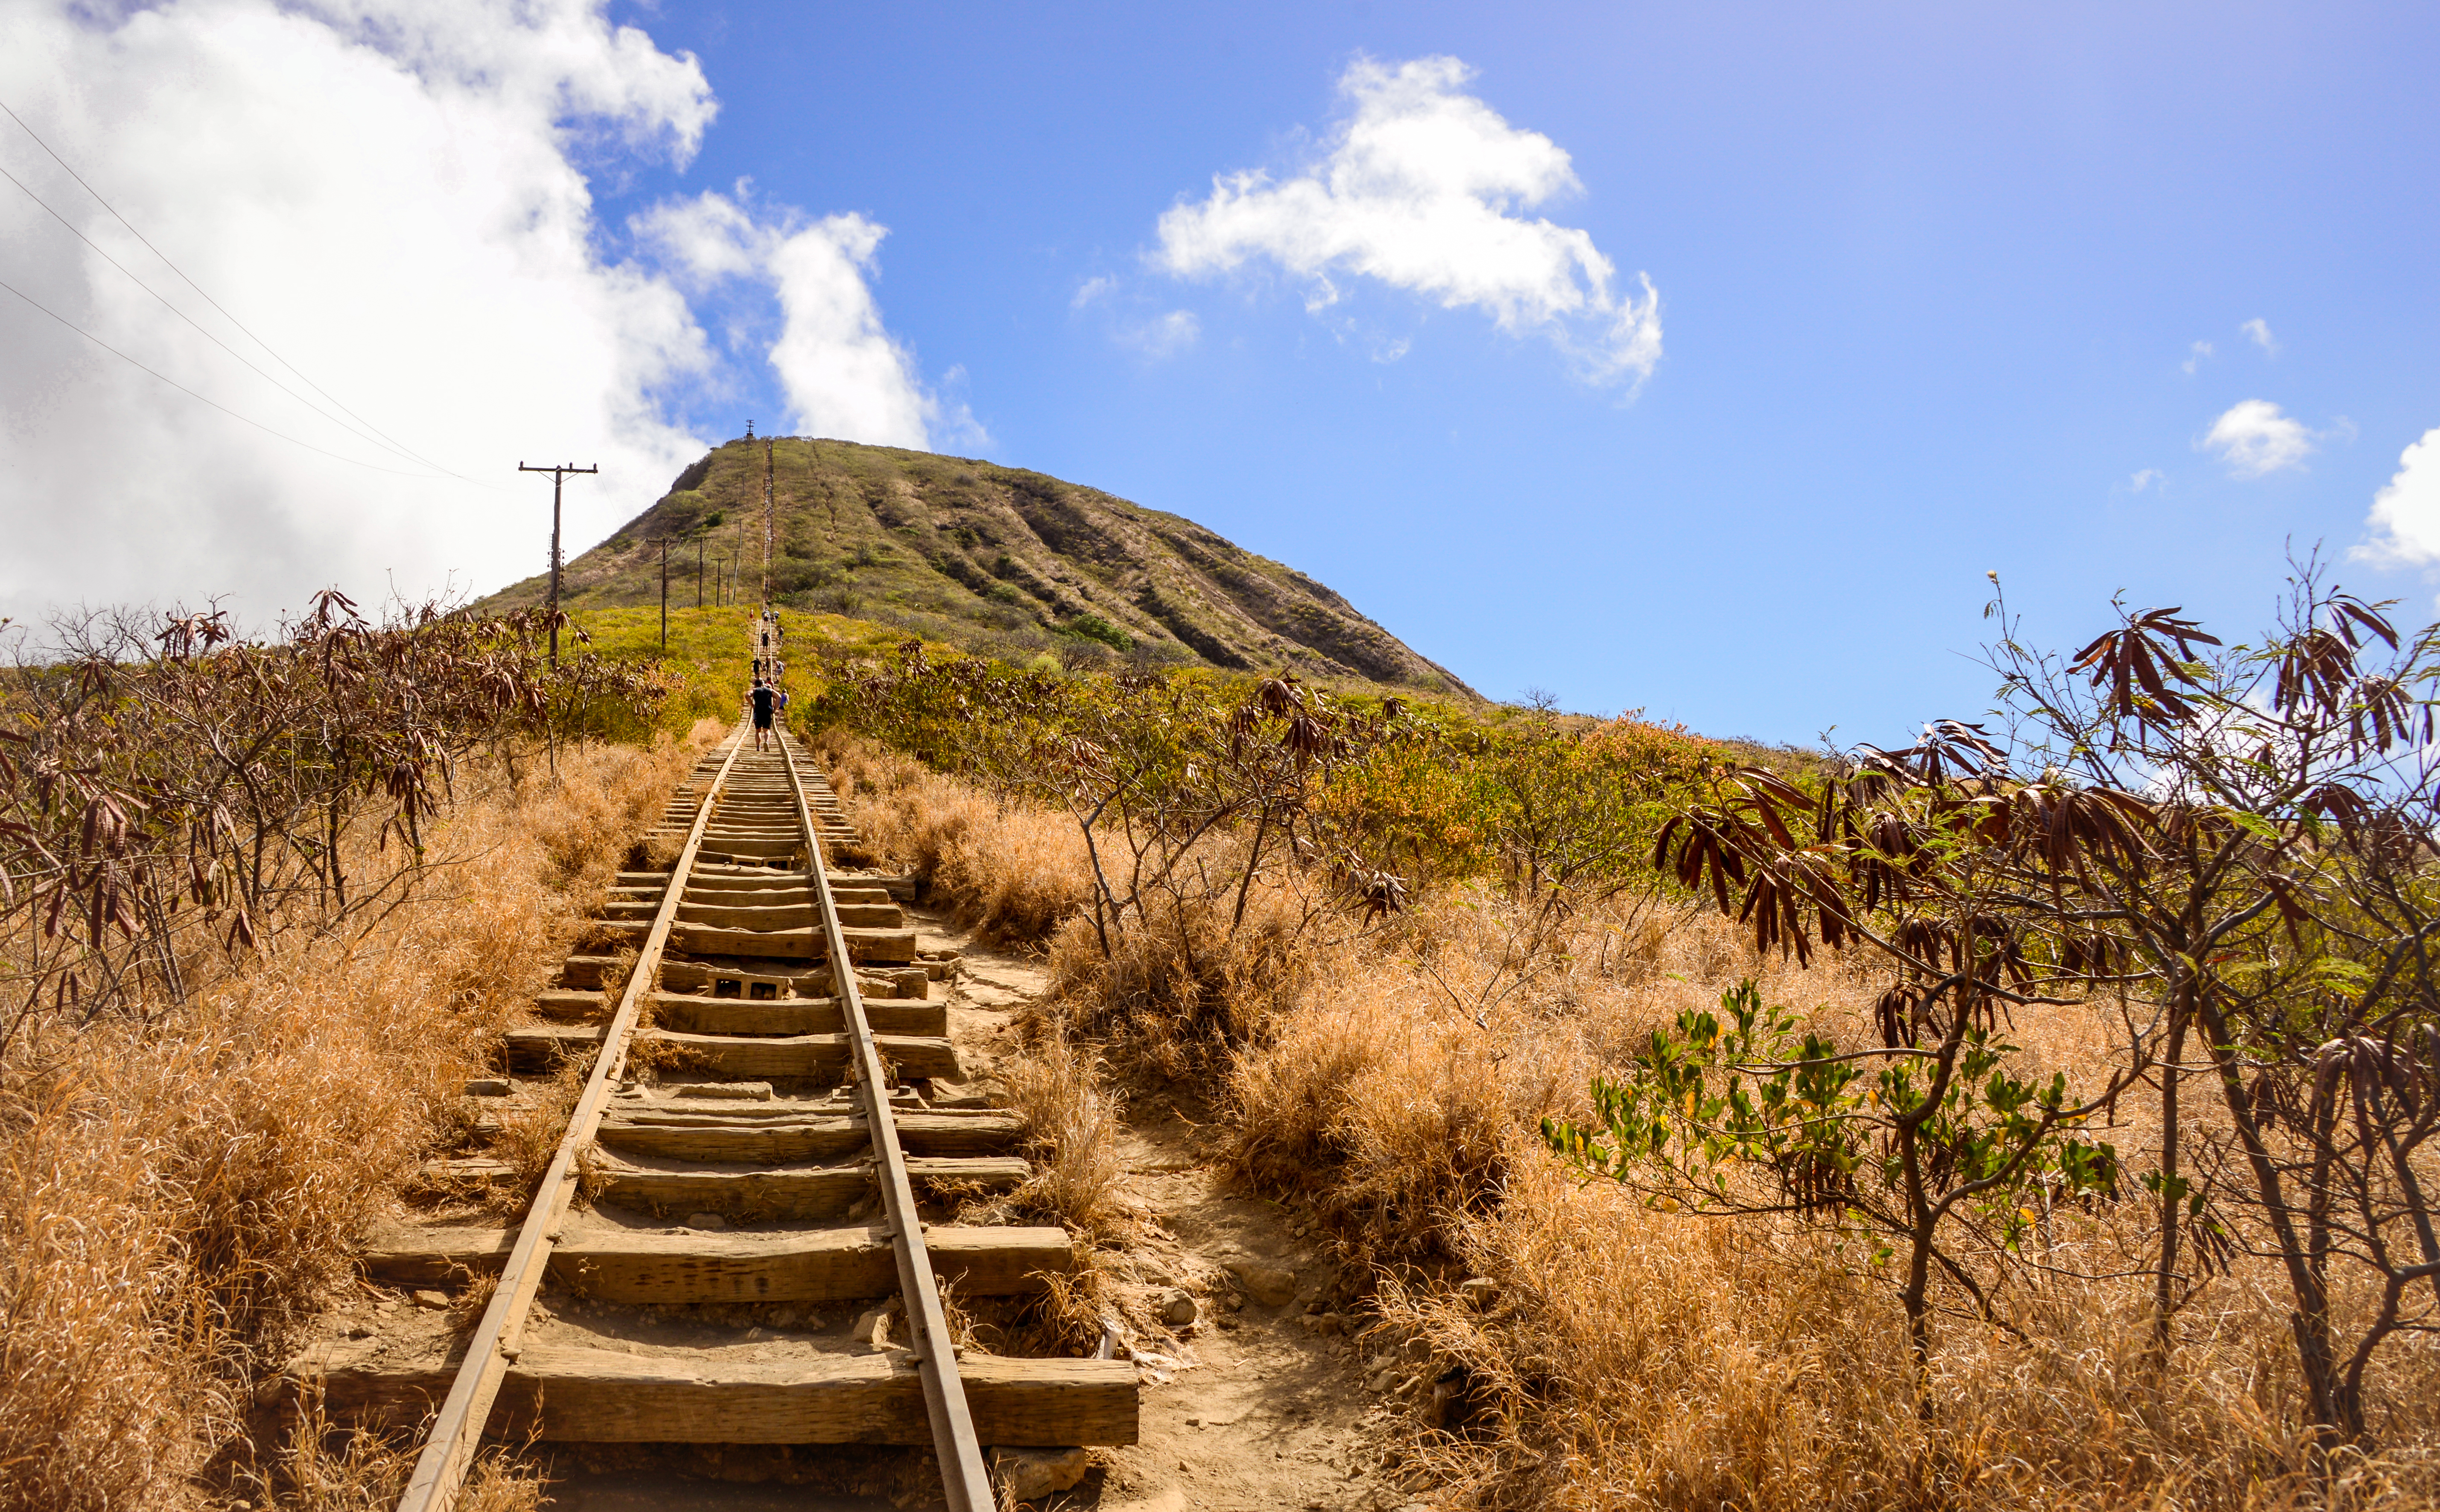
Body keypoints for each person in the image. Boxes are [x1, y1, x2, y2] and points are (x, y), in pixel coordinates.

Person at [750, 679, 776, 750]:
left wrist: (752, 705)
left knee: (758, 730)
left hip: (758, 711)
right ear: (762, 684)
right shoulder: (769, 690)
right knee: (767, 730)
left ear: (755, 685)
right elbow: (779, 697)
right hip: (767, 711)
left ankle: (758, 747)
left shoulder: (755, 691)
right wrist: (775, 709)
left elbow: (747, 695)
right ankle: (767, 742)